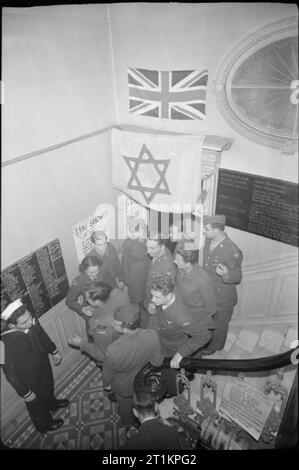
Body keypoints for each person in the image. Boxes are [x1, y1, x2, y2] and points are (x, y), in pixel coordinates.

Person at [1, 299, 69, 434]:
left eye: (29, 317)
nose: (30, 322)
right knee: (35, 402)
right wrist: (24, 392)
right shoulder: (2, 343)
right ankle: (44, 424)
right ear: (11, 326)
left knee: (48, 385)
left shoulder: (29, 318)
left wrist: (53, 351)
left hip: (43, 362)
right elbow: (9, 372)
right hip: (27, 376)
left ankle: (52, 404)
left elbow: (42, 334)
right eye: (24, 322)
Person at [102, 304, 163, 430]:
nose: (113, 324)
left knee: (125, 407)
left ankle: (129, 425)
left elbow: (107, 374)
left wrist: (106, 385)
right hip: (144, 383)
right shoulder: (152, 335)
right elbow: (157, 362)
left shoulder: (113, 350)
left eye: (115, 323)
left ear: (124, 328)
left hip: (123, 387)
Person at [149, 274, 212, 369]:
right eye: (152, 295)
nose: (152, 299)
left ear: (169, 296)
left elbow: (204, 335)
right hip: (162, 337)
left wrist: (181, 353)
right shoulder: (168, 290)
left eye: (157, 297)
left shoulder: (182, 318)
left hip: (172, 347)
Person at [202, 214, 243, 353]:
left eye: (206, 229)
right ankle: (209, 342)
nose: (204, 231)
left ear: (216, 230)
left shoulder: (233, 250)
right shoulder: (209, 241)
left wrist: (226, 274)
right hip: (209, 293)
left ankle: (215, 348)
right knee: (210, 321)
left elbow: (238, 276)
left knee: (220, 326)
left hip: (223, 297)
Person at [67, 280, 131, 363]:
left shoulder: (101, 327)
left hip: (116, 354)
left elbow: (101, 354)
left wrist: (81, 343)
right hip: (128, 340)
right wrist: (94, 311)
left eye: (88, 298)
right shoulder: (119, 294)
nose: (86, 300)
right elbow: (110, 307)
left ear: (97, 301)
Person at [65, 255, 106, 340]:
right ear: (84, 270)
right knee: (94, 340)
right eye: (91, 272)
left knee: (107, 338)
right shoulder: (79, 281)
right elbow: (69, 301)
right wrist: (82, 309)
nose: (95, 274)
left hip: (105, 312)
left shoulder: (101, 274)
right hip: (91, 315)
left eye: (96, 270)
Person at [174, 247, 217, 323]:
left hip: (196, 316)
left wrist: (201, 322)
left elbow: (211, 307)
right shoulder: (180, 269)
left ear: (188, 263)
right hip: (182, 311)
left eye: (178, 260)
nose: (174, 261)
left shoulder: (202, 279)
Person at [144, 233, 177, 327]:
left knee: (154, 330)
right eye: (147, 247)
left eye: (152, 248)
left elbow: (164, 292)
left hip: (157, 306)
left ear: (162, 247)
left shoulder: (166, 267)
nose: (148, 251)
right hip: (151, 298)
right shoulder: (161, 252)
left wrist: (153, 304)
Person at [121, 219, 151, 306]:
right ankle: (136, 313)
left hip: (147, 271)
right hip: (135, 276)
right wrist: (126, 279)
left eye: (143, 230)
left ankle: (143, 306)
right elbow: (125, 262)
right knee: (136, 297)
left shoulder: (146, 239)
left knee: (146, 293)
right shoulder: (128, 243)